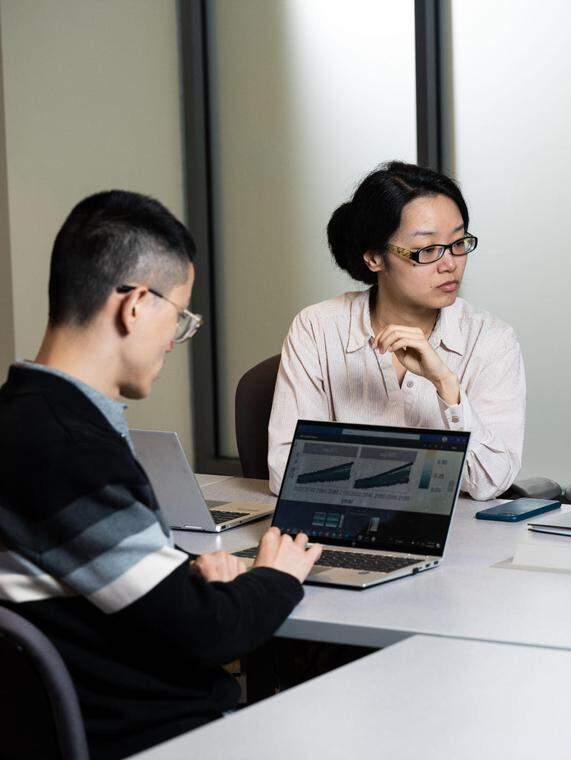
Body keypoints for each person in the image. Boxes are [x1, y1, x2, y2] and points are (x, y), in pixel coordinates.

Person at [0, 191, 322, 759]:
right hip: (151, 735)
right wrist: (275, 575)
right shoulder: (67, 449)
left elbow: (89, 581)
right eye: (180, 315)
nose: (175, 340)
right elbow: (208, 635)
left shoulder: (22, 417)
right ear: (137, 306)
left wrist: (184, 579)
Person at [267, 161, 525, 499]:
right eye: (428, 250)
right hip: (337, 529)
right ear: (374, 258)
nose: (450, 264)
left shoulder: (492, 340)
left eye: (459, 243)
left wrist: (447, 386)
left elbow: (490, 482)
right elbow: (286, 469)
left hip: (458, 538)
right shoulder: (317, 328)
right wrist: (424, 475)